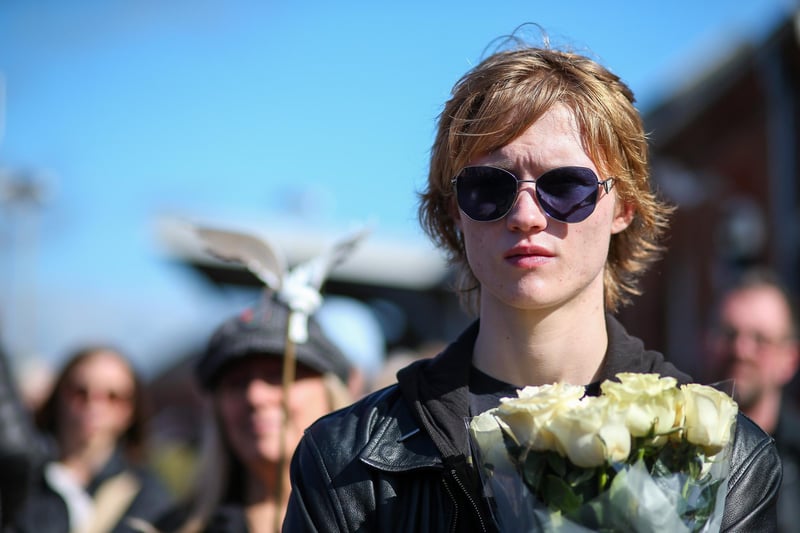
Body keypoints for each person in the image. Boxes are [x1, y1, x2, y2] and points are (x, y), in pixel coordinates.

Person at [283, 38, 782, 532]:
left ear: (624, 207)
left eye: (565, 186)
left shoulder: (727, 456)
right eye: (488, 187)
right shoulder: (345, 462)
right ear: (455, 210)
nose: (525, 216)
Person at [153, 294, 353, 533]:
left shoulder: (385, 517)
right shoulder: (173, 527)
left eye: (278, 376)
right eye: (237, 383)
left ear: (330, 393)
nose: (255, 397)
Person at [13, 345, 173, 533]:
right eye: (80, 392)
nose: (94, 405)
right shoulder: (20, 482)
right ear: (58, 397)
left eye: (113, 397)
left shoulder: (150, 498)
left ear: (131, 411)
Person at [704, 267, 800, 532]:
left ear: (790, 359)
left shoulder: (795, 455)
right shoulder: (672, 446)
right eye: (729, 333)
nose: (741, 350)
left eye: (760, 339)